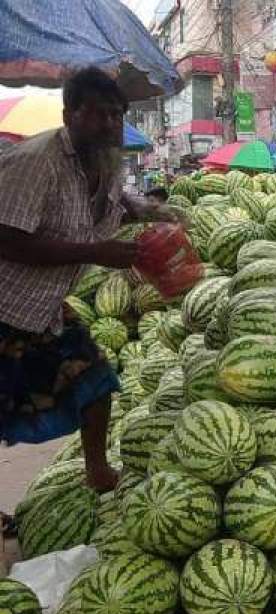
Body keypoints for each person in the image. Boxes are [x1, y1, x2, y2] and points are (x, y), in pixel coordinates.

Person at [0, 68, 180, 493]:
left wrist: (150, 212)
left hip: (44, 308)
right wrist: (94, 253)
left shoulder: (106, 163)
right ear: (70, 115)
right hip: (6, 306)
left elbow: (112, 203)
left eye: (117, 115)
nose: (111, 125)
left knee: (96, 380)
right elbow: (7, 240)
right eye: (100, 115)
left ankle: (97, 472)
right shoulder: (35, 162)